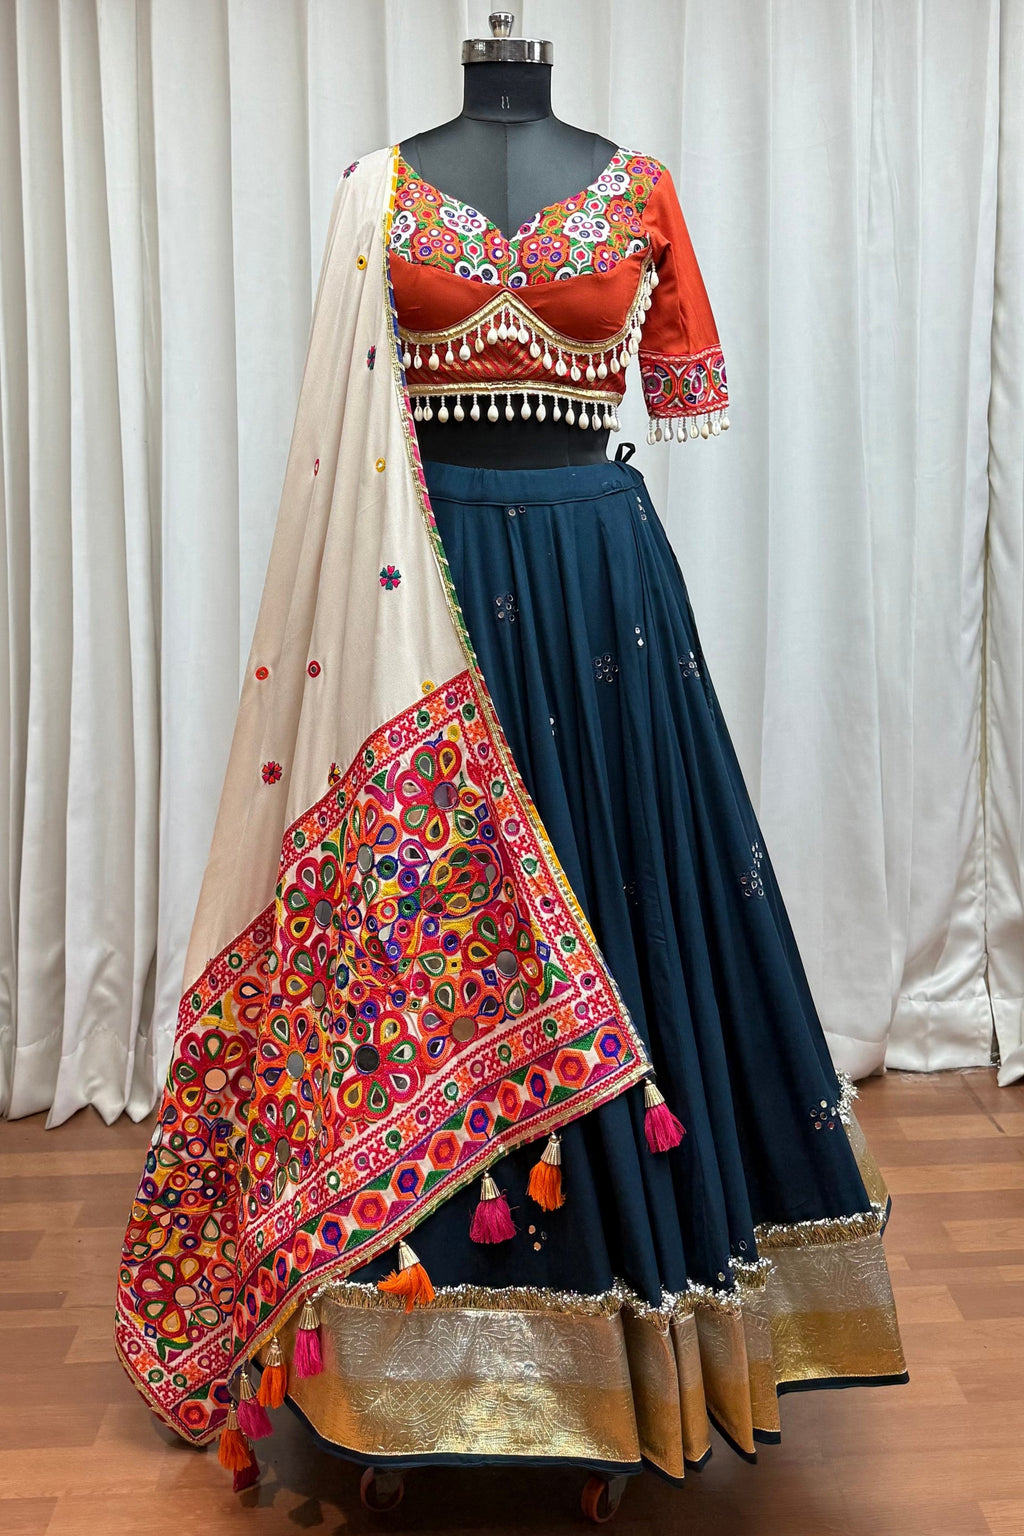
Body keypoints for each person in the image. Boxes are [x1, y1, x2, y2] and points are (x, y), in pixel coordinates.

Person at [114, 25, 907, 1519]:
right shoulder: (378, 191)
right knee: (414, 943)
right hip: (420, 594)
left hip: (604, 596)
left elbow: (676, 395)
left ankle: (626, 1338)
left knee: (624, 905)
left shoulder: (643, 191)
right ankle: (394, 1350)